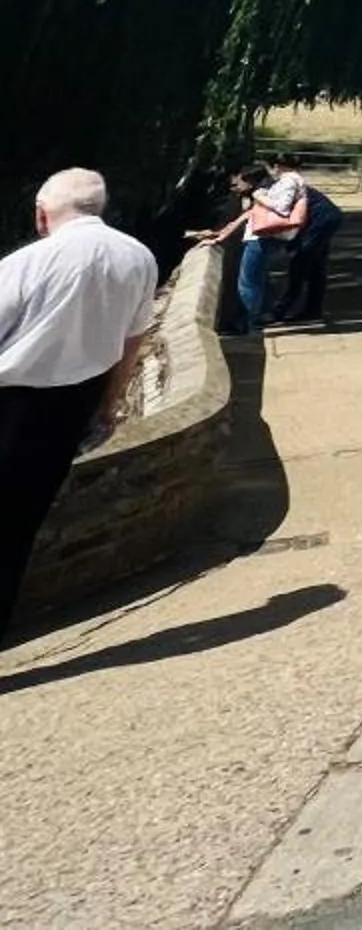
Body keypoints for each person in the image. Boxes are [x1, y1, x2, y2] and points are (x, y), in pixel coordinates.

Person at [1, 169, 161, 640]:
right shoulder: (139, 258)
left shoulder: (28, 262)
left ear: (41, 214)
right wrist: (109, 404)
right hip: (74, 403)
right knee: (16, 529)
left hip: (10, 400)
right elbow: (133, 341)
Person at [196, 164, 304, 334]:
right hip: (267, 239)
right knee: (258, 279)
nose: (236, 188)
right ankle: (258, 317)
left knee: (247, 284)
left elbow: (279, 209)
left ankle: (245, 325)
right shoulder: (265, 191)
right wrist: (220, 234)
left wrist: (258, 196)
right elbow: (244, 217)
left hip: (260, 239)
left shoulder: (262, 194)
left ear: (251, 181)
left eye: (239, 183)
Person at [270, 158, 345, 326]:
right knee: (316, 266)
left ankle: (281, 309)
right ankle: (313, 309)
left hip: (318, 221)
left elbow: (284, 212)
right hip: (324, 218)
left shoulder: (281, 184)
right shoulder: (289, 182)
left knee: (300, 263)